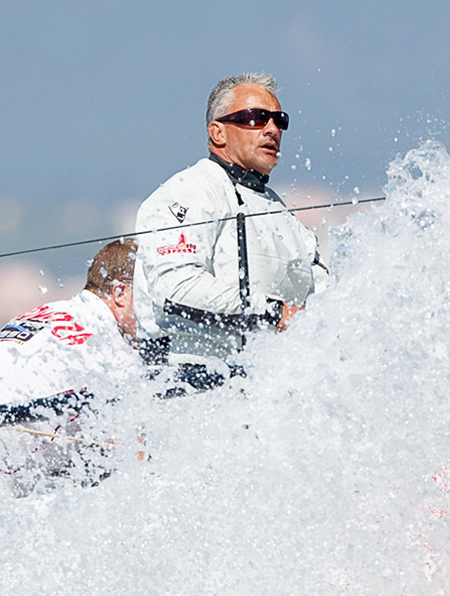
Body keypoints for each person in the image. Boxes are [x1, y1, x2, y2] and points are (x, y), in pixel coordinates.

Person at [0, 240, 144, 497]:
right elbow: (136, 463)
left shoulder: (49, 310)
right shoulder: (112, 348)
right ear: (119, 292)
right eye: (151, 299)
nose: (161, 314)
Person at [134, 73, 327, 386]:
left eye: (279, 121)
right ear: (217, 132)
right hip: (189, 384)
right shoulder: (190, 189)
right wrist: (273, 312)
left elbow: (326, 296)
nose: (272, 129)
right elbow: (174, 287)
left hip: (266, 387)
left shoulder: (283, 215)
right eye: (255, 118)